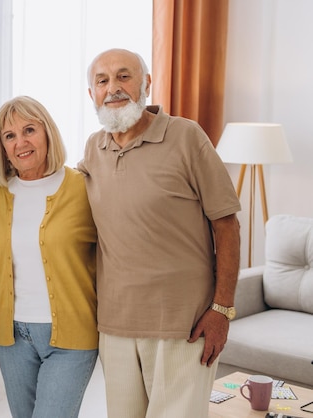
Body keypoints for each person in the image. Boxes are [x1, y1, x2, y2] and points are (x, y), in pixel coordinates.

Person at [77, 48, 242, 418]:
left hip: (184, 325)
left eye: (124, 76)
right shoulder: (93, 148)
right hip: (115, 325)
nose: (113, 87)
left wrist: (222, 311)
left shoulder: (186, 136)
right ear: (92, 94)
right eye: (101, 81)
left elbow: (227, 223)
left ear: (147, 84)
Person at [0, 96, 98, 418]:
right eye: (9, 135)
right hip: (12, 336)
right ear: (1, 147)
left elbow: (120, 249)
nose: (21, 142)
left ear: (47, 133)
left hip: (73, 335)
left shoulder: (83, 188)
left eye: (29, 130)